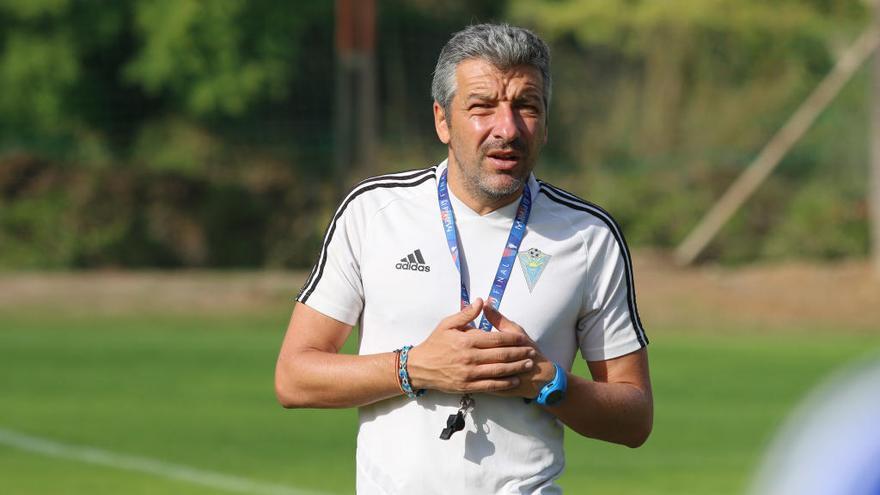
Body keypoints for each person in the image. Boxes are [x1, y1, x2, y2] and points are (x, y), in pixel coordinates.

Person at [275, 23, 652, 494]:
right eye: (482, 107)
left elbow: (634, 416)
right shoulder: (373, 213)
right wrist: (413, 368)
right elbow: (294, 376)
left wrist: (544, 380)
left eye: (526, 106)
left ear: (546, 122)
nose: (507, 128)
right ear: (442, 120)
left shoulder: (589, 235)